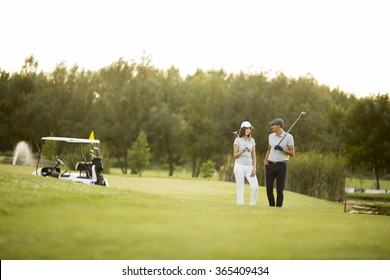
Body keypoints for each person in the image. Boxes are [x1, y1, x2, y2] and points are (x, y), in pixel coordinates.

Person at [263, 118, 294, 207]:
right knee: (269, 189)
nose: (271, 126)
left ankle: (278, 208)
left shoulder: (288, 137)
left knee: (279, 190)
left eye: (273, 125)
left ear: (279, 126)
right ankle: (272, 206)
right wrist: (265, 160)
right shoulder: (271, 136)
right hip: (270, 164)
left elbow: (292, 153)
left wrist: (282, 149)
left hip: (281, 165)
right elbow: (269, 149)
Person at [233, 121, 259, 205]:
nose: (248, 130)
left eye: (249, 128)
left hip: (249, 167)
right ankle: (240, 206)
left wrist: (254, 168)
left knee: (255, 187)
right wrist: (242, 150)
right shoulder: (237, 140)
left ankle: (252, 205)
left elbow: (254, 155)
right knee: (240, 188)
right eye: (247, 128)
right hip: (239, 166)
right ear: (243, 129)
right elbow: (235, 155)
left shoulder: (252, 141)